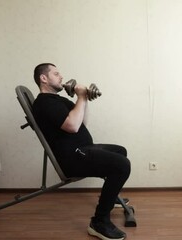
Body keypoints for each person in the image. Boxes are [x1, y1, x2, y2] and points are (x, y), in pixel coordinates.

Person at [32, 63, 131, 240]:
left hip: (82, 150)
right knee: (122, 165)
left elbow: (81, 122)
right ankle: (99, 222)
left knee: (120, 151)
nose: (61, 77)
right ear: (44, 78)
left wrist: (84, 99)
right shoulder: (45, 103)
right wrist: (81, 97)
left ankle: (110, 197)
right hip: (73, 157)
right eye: (56, 73)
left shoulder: (58, 100)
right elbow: (72, 126)